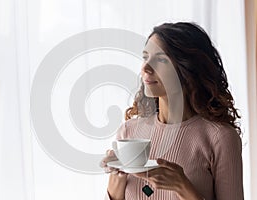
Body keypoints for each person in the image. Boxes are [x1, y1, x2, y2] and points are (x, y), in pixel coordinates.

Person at [100, 22, 244, 200]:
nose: (145, 68)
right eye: (145, 57)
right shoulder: (128, 132)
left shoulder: (220, 138)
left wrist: (183, 187)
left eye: (161, 59)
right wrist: (116, 182)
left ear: (188, 68)